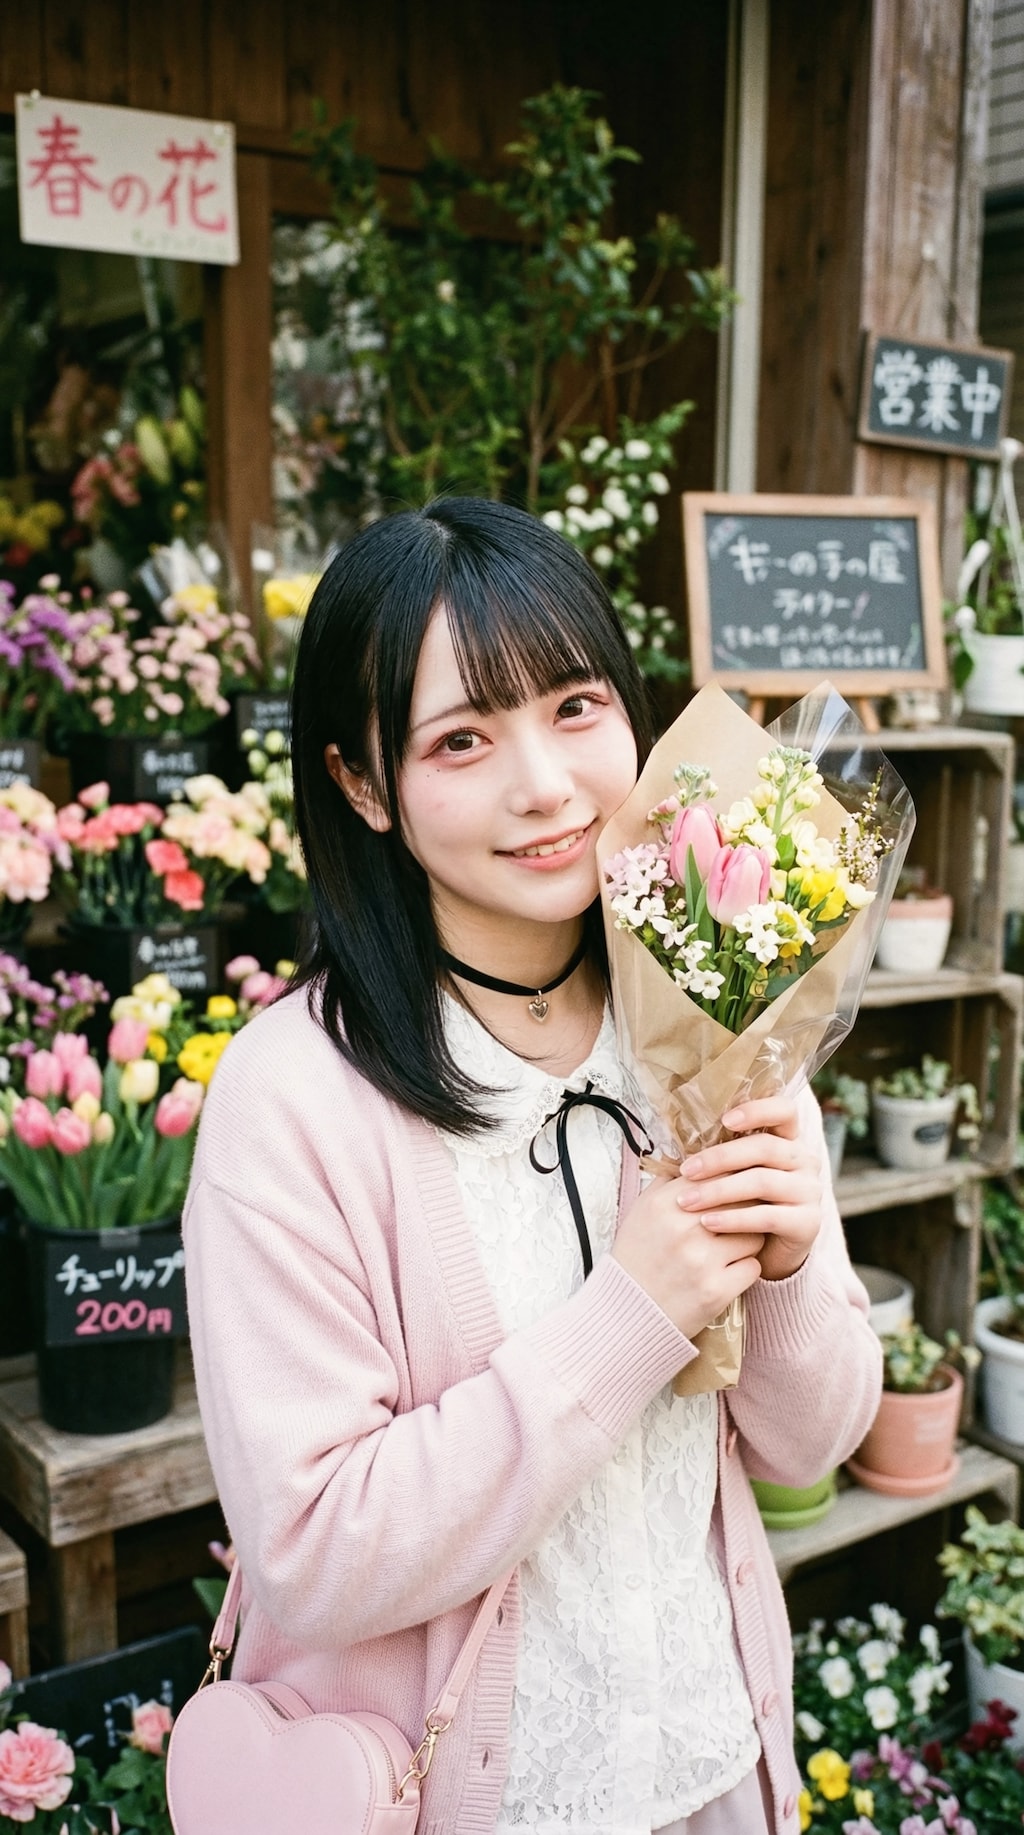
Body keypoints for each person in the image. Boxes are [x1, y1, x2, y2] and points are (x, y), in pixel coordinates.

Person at [184, 496, 882, 1835]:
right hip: (454, 1801)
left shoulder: (713, 994)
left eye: (575, 706)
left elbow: (817, 1436)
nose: (548, 785)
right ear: (361, 784)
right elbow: (313, 1554)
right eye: (462, 739)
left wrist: (790, 1263)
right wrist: (630, 1315)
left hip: (710, 1773)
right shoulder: (295, 1099)